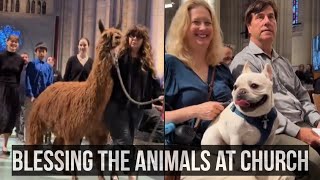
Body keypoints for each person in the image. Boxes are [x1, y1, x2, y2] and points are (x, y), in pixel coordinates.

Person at [229, 0, 320, 178]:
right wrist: (299, 132)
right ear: (249, 26)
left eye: (271, 17)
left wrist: (317, 121)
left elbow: (302, 97)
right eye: (260, 17)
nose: (267, 21)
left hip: (303, 123)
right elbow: (260, 110)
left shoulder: (283, 62)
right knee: (313, 161)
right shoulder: (244, 62)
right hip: (272, 130)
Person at [164, 0, 233, 146]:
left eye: (208, 23)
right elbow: (155, 118)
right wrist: (196, 111)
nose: (203, 28)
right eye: (196, 22)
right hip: (191, 151)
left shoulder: (221, 68)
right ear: (183, 27)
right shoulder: (169, 64)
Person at [103, 24, 163, 180]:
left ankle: (114, 171)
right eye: (132, 36)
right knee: (125, 140)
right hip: (118, 107)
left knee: (124, 142)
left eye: (138, 37)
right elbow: (108, 79)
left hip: (137, 108)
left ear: (143, 41)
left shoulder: (146, 62)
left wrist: (160, 97)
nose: (134, 39)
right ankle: (130, 174)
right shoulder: (120, 59)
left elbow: (154, 84)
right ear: (128, 38)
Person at [0, 35, 25, 156]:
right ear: (7, 42)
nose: (14, 44)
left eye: (16, 43)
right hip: (1, 88)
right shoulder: (1, 56)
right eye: (12, 42)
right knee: (1, 116)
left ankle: (5, 146)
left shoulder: (20, 60)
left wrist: (16, 89)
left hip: (13, 90)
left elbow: (18, 76)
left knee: (10, 118)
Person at [25, 42, 53, 143]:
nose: (41, 53)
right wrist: (31, 95)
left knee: (42, 123)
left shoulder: (49, 67)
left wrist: (48, 98)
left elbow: (50, 83)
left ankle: (39, 146)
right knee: (31, 122)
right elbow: (28, 80)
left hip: (44, 99)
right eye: (39, 51)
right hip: (33, 98)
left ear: (46, 53)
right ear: (36, 52)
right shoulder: (31, 65)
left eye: (43, 51)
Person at [15, 52, 29, 142]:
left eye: (26, 57)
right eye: (22, 57)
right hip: (15, 95)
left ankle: (21, 134)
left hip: (26, 96)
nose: (24, 58)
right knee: (16, 116)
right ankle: (17, 132)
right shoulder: (16, 69)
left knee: (23, 116)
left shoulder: (31, 69)